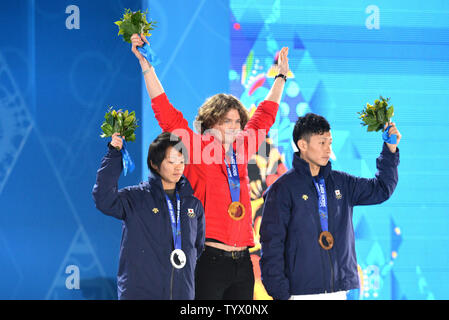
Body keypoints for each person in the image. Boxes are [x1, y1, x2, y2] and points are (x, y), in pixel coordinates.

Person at [130, 33, 289, 299]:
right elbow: (165, 114)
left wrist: (281, 78)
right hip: (208, 259)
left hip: (243, 261)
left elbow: (264, 117)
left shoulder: (242, 148)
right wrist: (147, 67)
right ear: (209, 123)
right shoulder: (193, 147)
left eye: (238, 121)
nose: (235, 126)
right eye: (227, 120)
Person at [259, 113, 401, 300]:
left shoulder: (342, 183)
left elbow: (381, 189)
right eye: (322, 143)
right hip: (299, 293)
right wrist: (281, 294)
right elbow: (271, 245)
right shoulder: (282, 189)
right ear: (303, 145)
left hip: (338, 291)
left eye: (330, 143)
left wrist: (390, 151)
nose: (328, 149)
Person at [92, 131, 205, 299]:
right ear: (154, 163)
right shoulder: (136, 198)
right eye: (171, 161)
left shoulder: (192, 205)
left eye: (182, 161)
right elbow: (104, 199)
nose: (178, 167)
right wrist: (114, 155)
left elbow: (198, 248)